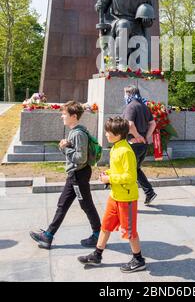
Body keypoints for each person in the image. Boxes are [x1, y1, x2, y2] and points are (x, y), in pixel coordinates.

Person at [78, 117, 146, 273]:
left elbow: (131, 177)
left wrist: (110, 178)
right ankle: (97, 255)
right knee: (106, 226)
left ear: (118, 134)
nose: (106, 134)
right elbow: (118, 171)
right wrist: (107, 173)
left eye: (109, 131)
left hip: (126, 199)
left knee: (129, 231)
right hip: (115, 196)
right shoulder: (116, 147)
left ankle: (139, 259)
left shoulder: (126, 151)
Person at [30, 101, 101, 249]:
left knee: (85, 205)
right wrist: (68, 145)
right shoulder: (75, 132)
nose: (62, 116)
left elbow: (81, 158)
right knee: (63, 204)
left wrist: (64, 148)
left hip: (79, 175)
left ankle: (98, 234)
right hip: (75, 174)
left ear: (74, 116)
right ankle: (48, 235)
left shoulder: (79, 134)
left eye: (64, 114)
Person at [123, 85, 157, 205]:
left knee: (128, 172)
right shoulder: (143, 106)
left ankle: (128, 199)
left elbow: (130, 125)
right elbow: (153, 124)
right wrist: (146, 137)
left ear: (129, 94)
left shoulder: (131, 106)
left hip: (133, 144)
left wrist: (137, 136)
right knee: (135, 170)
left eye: (125, 93)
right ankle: (149, 192)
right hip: (143, 145)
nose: (124, 96)